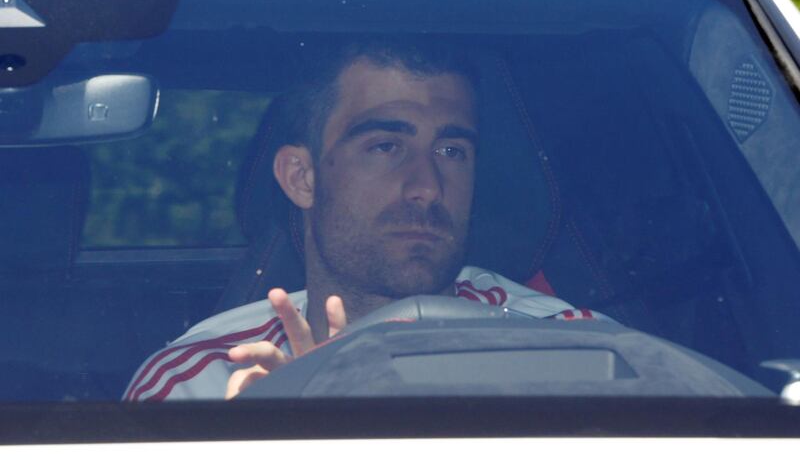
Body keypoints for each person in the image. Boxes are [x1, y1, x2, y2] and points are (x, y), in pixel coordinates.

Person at [123, 38, 603, 402]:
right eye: (385, 147)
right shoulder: (199, 385)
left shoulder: (583, 356)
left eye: (451, 150)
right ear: (301, 177)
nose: (428, 186)